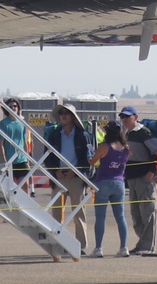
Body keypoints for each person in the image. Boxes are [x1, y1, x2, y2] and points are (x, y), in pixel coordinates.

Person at [43, 103, 92, 258]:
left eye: (67, 113)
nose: (63, 115)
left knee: (78, 212)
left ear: (73, 116)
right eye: (61, 113)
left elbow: (87, 157)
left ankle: (80, 246)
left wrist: (76, 172)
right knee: (56, 212)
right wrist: (55, 171)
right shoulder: (54, 134)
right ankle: (59, 243)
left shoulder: (82, 135)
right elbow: (47, 156)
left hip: (76, 177)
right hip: (59, 176)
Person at [119, 105, 157, 254]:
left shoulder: (144, 133)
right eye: (123, 117)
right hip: (132, 178)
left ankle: (147, 246)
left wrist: (152, 172)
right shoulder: (125, 134)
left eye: (128, 116)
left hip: (144, 178)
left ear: (136, 117)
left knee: (148, 211)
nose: (125, 119)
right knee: (136, 214)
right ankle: (143, 243)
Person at [90, 121, 130, 256]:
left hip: (103, 182)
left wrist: (89, 155)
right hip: (119, 183)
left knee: (100, 217)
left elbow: (93, 161)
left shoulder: (104, 146)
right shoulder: (126, 147)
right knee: (120, 216)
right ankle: (124, 247)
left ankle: (98, 248)